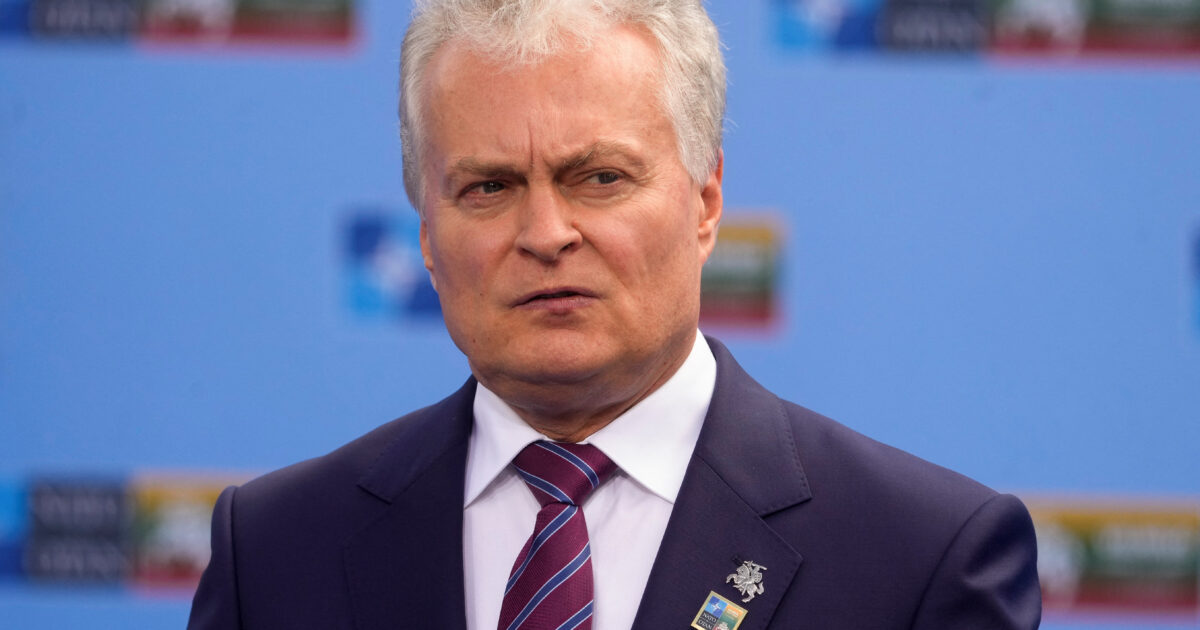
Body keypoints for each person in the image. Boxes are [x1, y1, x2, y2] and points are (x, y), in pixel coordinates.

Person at [188, 0, 1041, 628]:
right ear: (425, 234)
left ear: (706, 200)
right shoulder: (272, 553)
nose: (545, 233)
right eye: (488, 187)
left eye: (599, 178)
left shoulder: (923, 557)